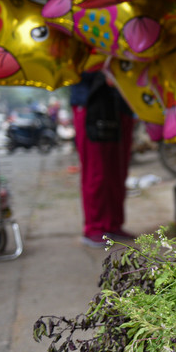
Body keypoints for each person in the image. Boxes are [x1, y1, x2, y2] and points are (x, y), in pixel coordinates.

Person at [70, 70, 135, 247]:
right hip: (91, 101)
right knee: (96, 171)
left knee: (118, 171)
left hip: (121, 104)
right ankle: (94, 227)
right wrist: (102, 71)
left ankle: (113, 224)